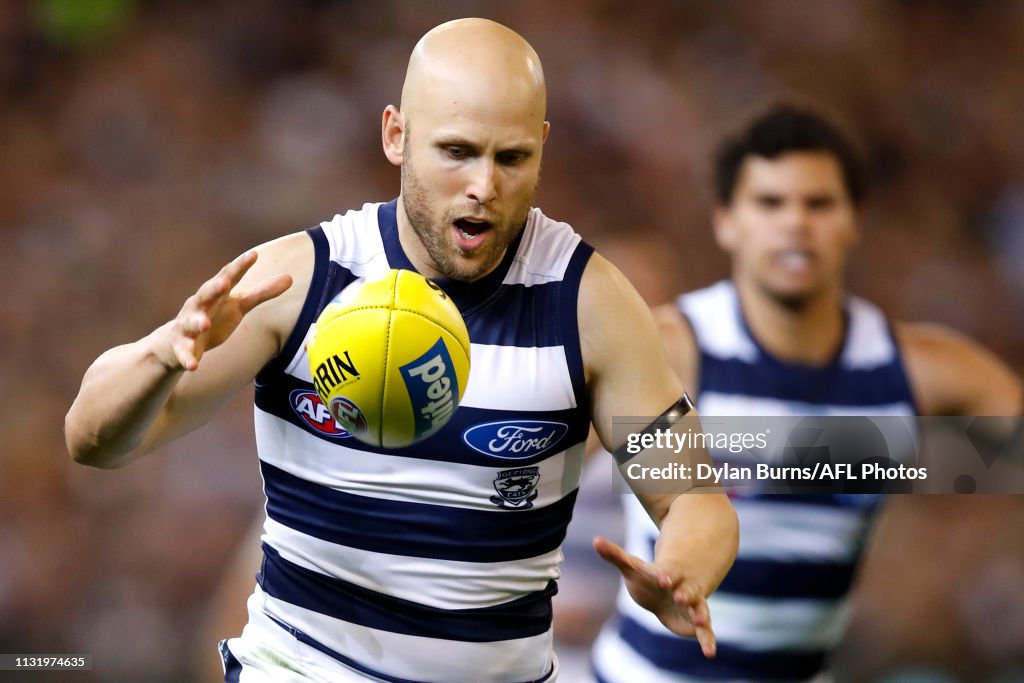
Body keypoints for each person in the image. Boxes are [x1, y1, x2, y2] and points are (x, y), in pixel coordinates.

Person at [64, 18, 738, 683]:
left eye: (511, 157)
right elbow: (94, 437)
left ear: (541, 145)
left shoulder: (590, 303)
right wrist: (160, 355)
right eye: (457, 151)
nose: (484, 185)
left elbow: (695, 500)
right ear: (396, 135)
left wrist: (680, 572)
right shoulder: (298, 279)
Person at [591, 104, 1023, 682]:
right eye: (770, 203)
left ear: (853, 221)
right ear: (726, 221)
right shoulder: (669, 350)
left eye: (818, 203)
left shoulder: (919, 372)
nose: (795, 222)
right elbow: (527, 461)